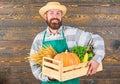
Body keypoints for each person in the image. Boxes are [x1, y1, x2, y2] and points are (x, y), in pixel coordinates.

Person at [29, 2, 105, 84]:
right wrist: (48, 77)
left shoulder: (72, 33)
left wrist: (96, 60)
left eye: (58, 13)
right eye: (51, 13)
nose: (55, 16)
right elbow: (34, 65)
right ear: (45, 16)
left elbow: (97, 39)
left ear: (61, 16)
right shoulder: (39, 38)